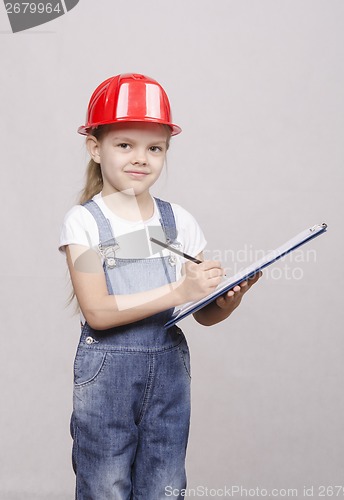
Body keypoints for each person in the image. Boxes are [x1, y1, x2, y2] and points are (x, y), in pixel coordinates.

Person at [58, 73, 261, 499]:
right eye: (124, 145)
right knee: (105, 484)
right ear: (95, 148)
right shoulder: (84, 222)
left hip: (168, 372)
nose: (141, 158)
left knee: (165, 484)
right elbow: (97, 311)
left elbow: (202, 313)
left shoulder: (178, 222)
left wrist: (226, 300)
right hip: (107, 374)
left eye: (155, 148)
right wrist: (178, 292)